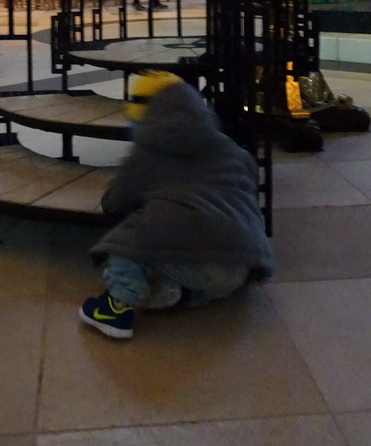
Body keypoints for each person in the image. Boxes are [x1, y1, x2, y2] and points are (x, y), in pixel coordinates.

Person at [78, 71, 275, 339]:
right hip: (241, 263)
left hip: (195, 259)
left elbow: (115, 202)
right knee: (200, 261)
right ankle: (180, 294)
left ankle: (117, 308)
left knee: (131, 236)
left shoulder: (148, 155)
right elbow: (248, 183)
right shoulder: (230, 149)